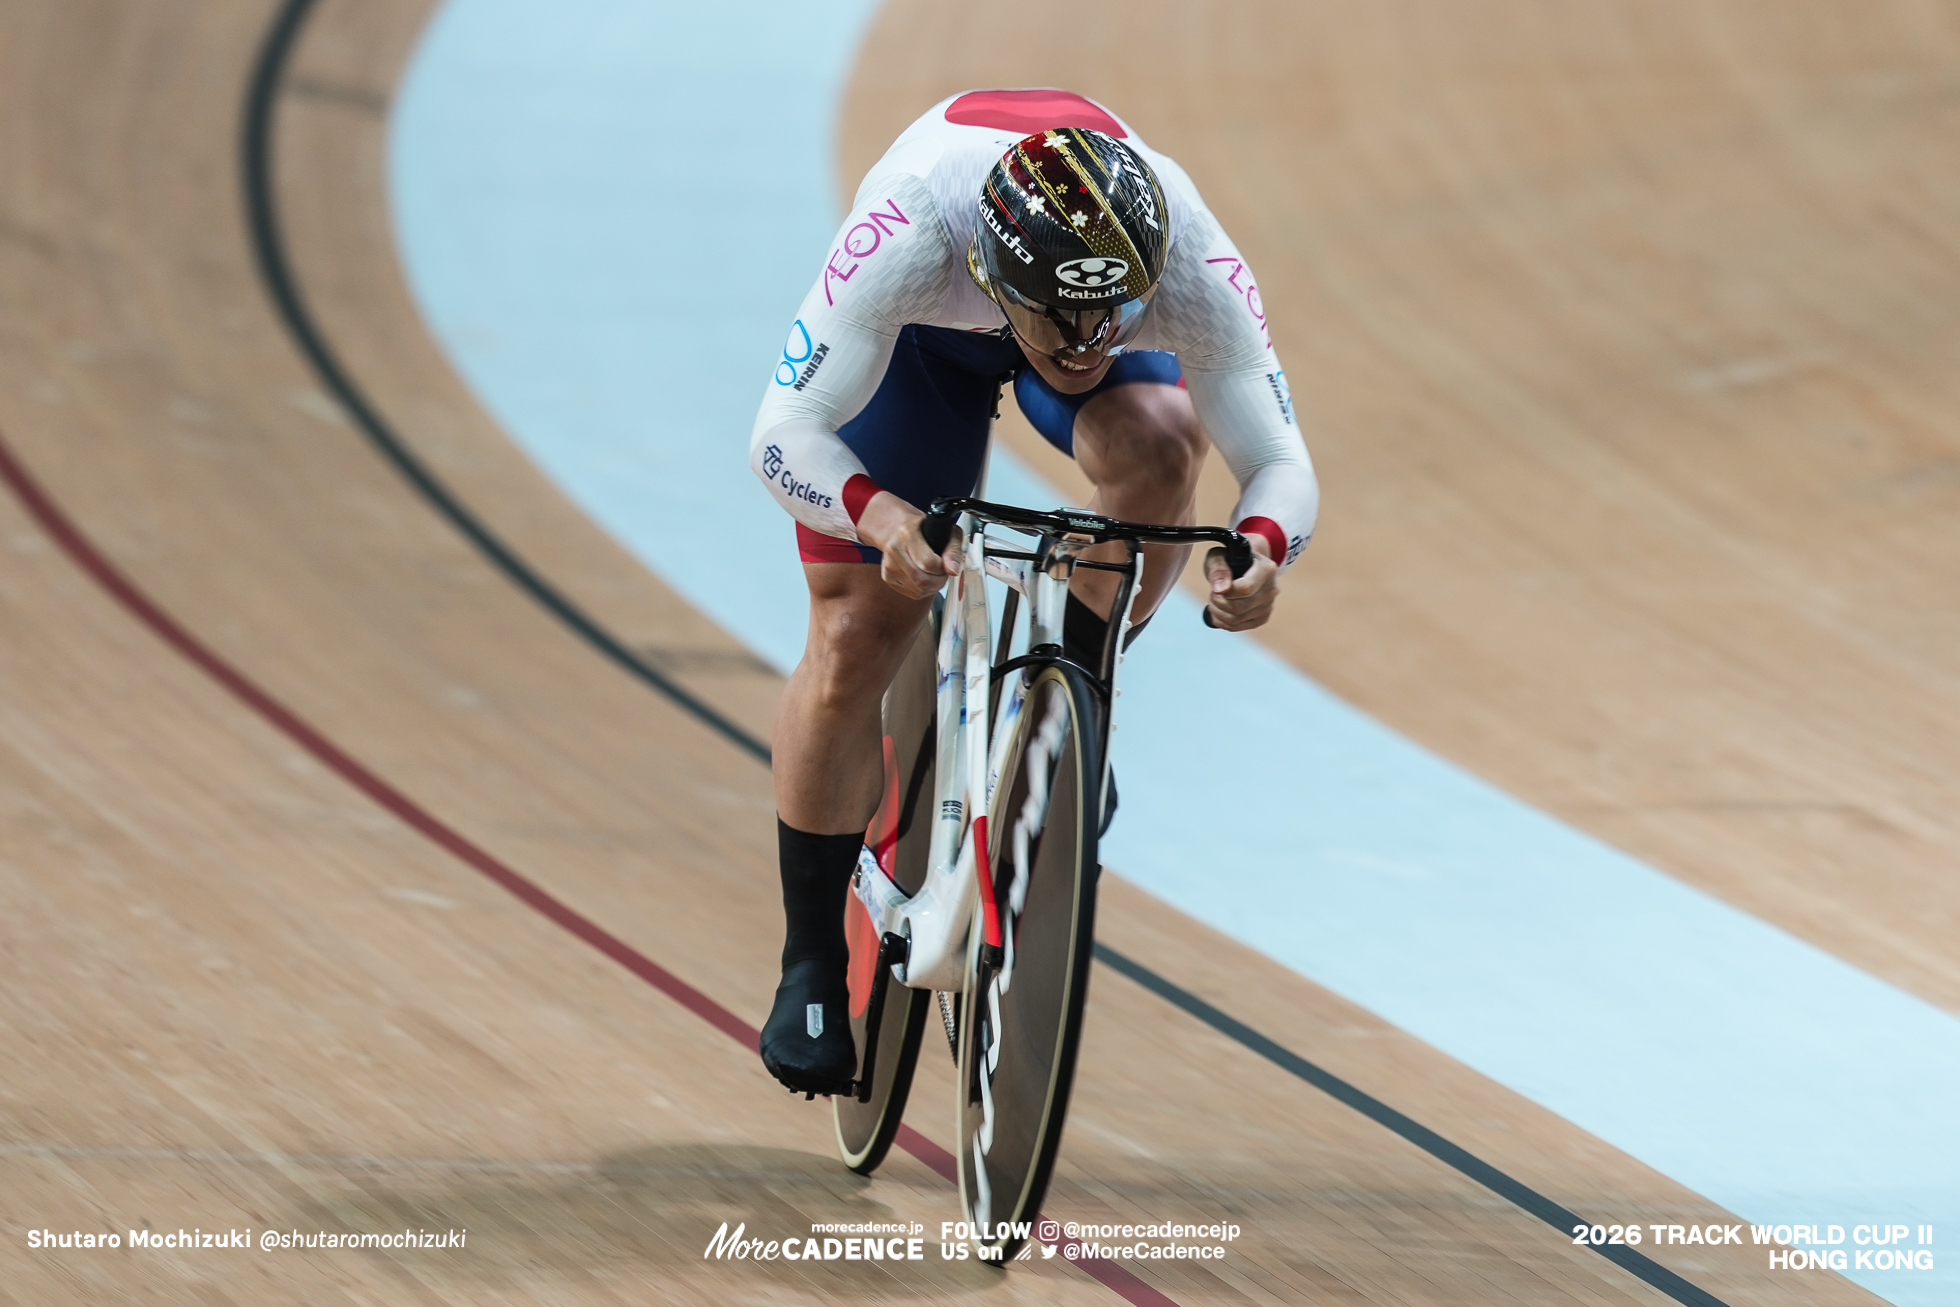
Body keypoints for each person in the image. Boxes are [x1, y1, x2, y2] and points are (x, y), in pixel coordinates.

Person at [748, 89, 1319, 1096]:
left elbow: (1277, 459)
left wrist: (1264, 548)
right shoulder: (910, 233)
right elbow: (784, 432)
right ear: (987, 270)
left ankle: (1068, 701)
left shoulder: (1185, 258)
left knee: (1161, 449)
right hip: (926, 341)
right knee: (853, 634)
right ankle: (810, 960)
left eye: (1112, 316)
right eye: (1063, 322)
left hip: (1063, 280)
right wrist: (882, 520)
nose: (1086, 341)